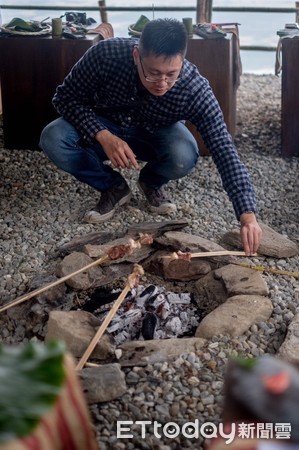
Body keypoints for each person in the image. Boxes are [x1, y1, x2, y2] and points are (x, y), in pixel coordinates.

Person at [40, 18, 262, 255]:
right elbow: (64, 98)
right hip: (104, 124)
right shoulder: (106, 54)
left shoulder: (195, 88)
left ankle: (151, 182)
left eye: (171, 74)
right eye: (154, 73)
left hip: (155, 133)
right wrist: (102, 135)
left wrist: (247, 215)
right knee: (53, 137)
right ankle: (113, 187)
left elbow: (223, 146)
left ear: (182, 61)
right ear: (137, 55)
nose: (162, 84)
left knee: (183, 154)